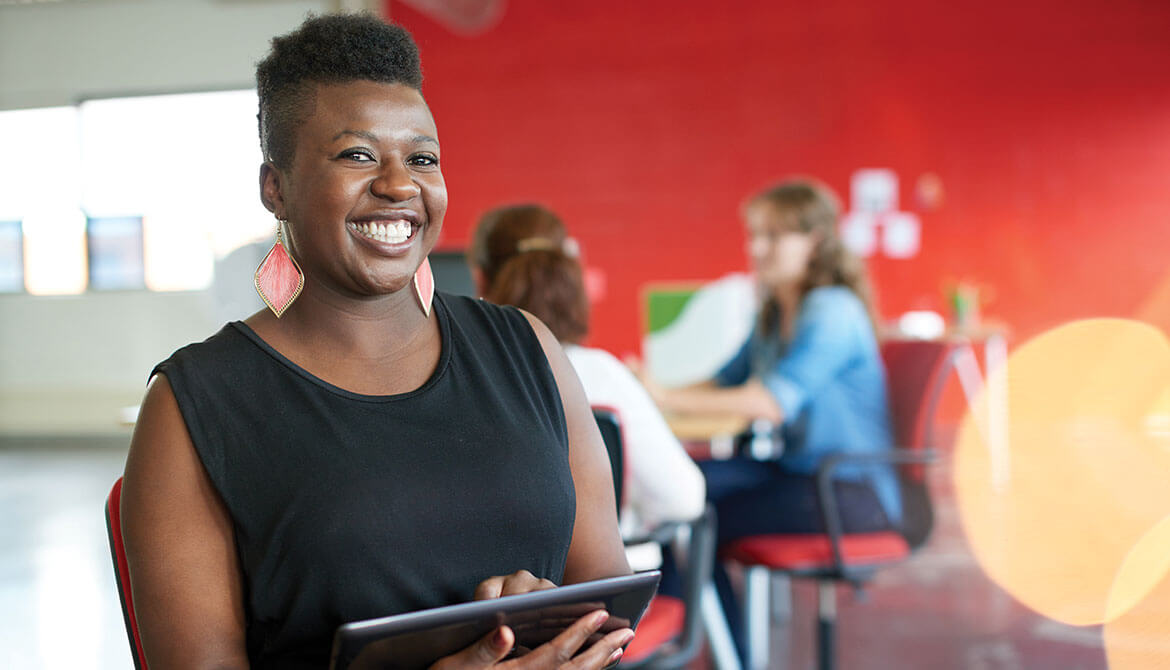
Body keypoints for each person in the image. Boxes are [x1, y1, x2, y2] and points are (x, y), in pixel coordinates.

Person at [119, 14, 633, 670]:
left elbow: (610, 602)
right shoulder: (193, 408)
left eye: (421, 158)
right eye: (357, 155)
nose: (398, 185)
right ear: (274, 187)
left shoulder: (528, 349)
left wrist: (551, 623)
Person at [639, 178, 898, 657]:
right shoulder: (775, 312)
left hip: (847, 491)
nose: (757, 248)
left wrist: (660, 393)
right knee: (672, 487)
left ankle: (711, 653)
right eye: (754, 234)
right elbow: (722, 382)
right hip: (799, 473)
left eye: (774, 236)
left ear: (815, 241)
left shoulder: (832, 310)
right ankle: (685, 644)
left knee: (692, 517)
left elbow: (769, 402)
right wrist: (648, 391)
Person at [468, 204, 705, 570]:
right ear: (571, 274)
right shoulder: (603, 375)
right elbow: (684, 499)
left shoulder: (462, 379)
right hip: (606, 592)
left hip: (495, 600)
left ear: (479, 278)